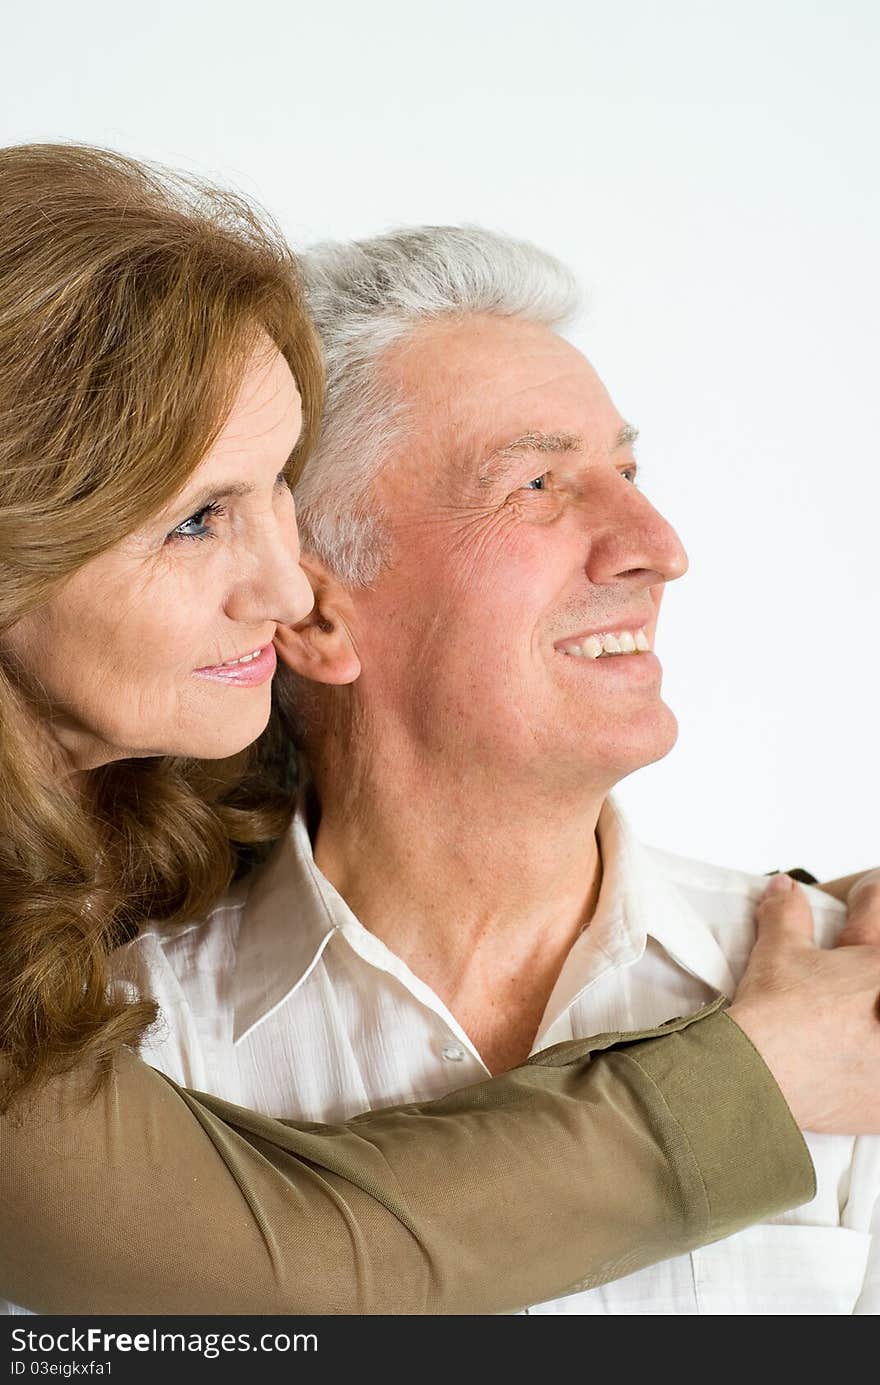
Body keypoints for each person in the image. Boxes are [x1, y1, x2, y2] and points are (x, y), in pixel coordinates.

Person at [0, 149, 878, 1318]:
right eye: (535, 486)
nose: (658, 544)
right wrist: (760, 1079)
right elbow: (281, 1271)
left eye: (629, 467)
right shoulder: (117, 1014)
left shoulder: (835, 978)